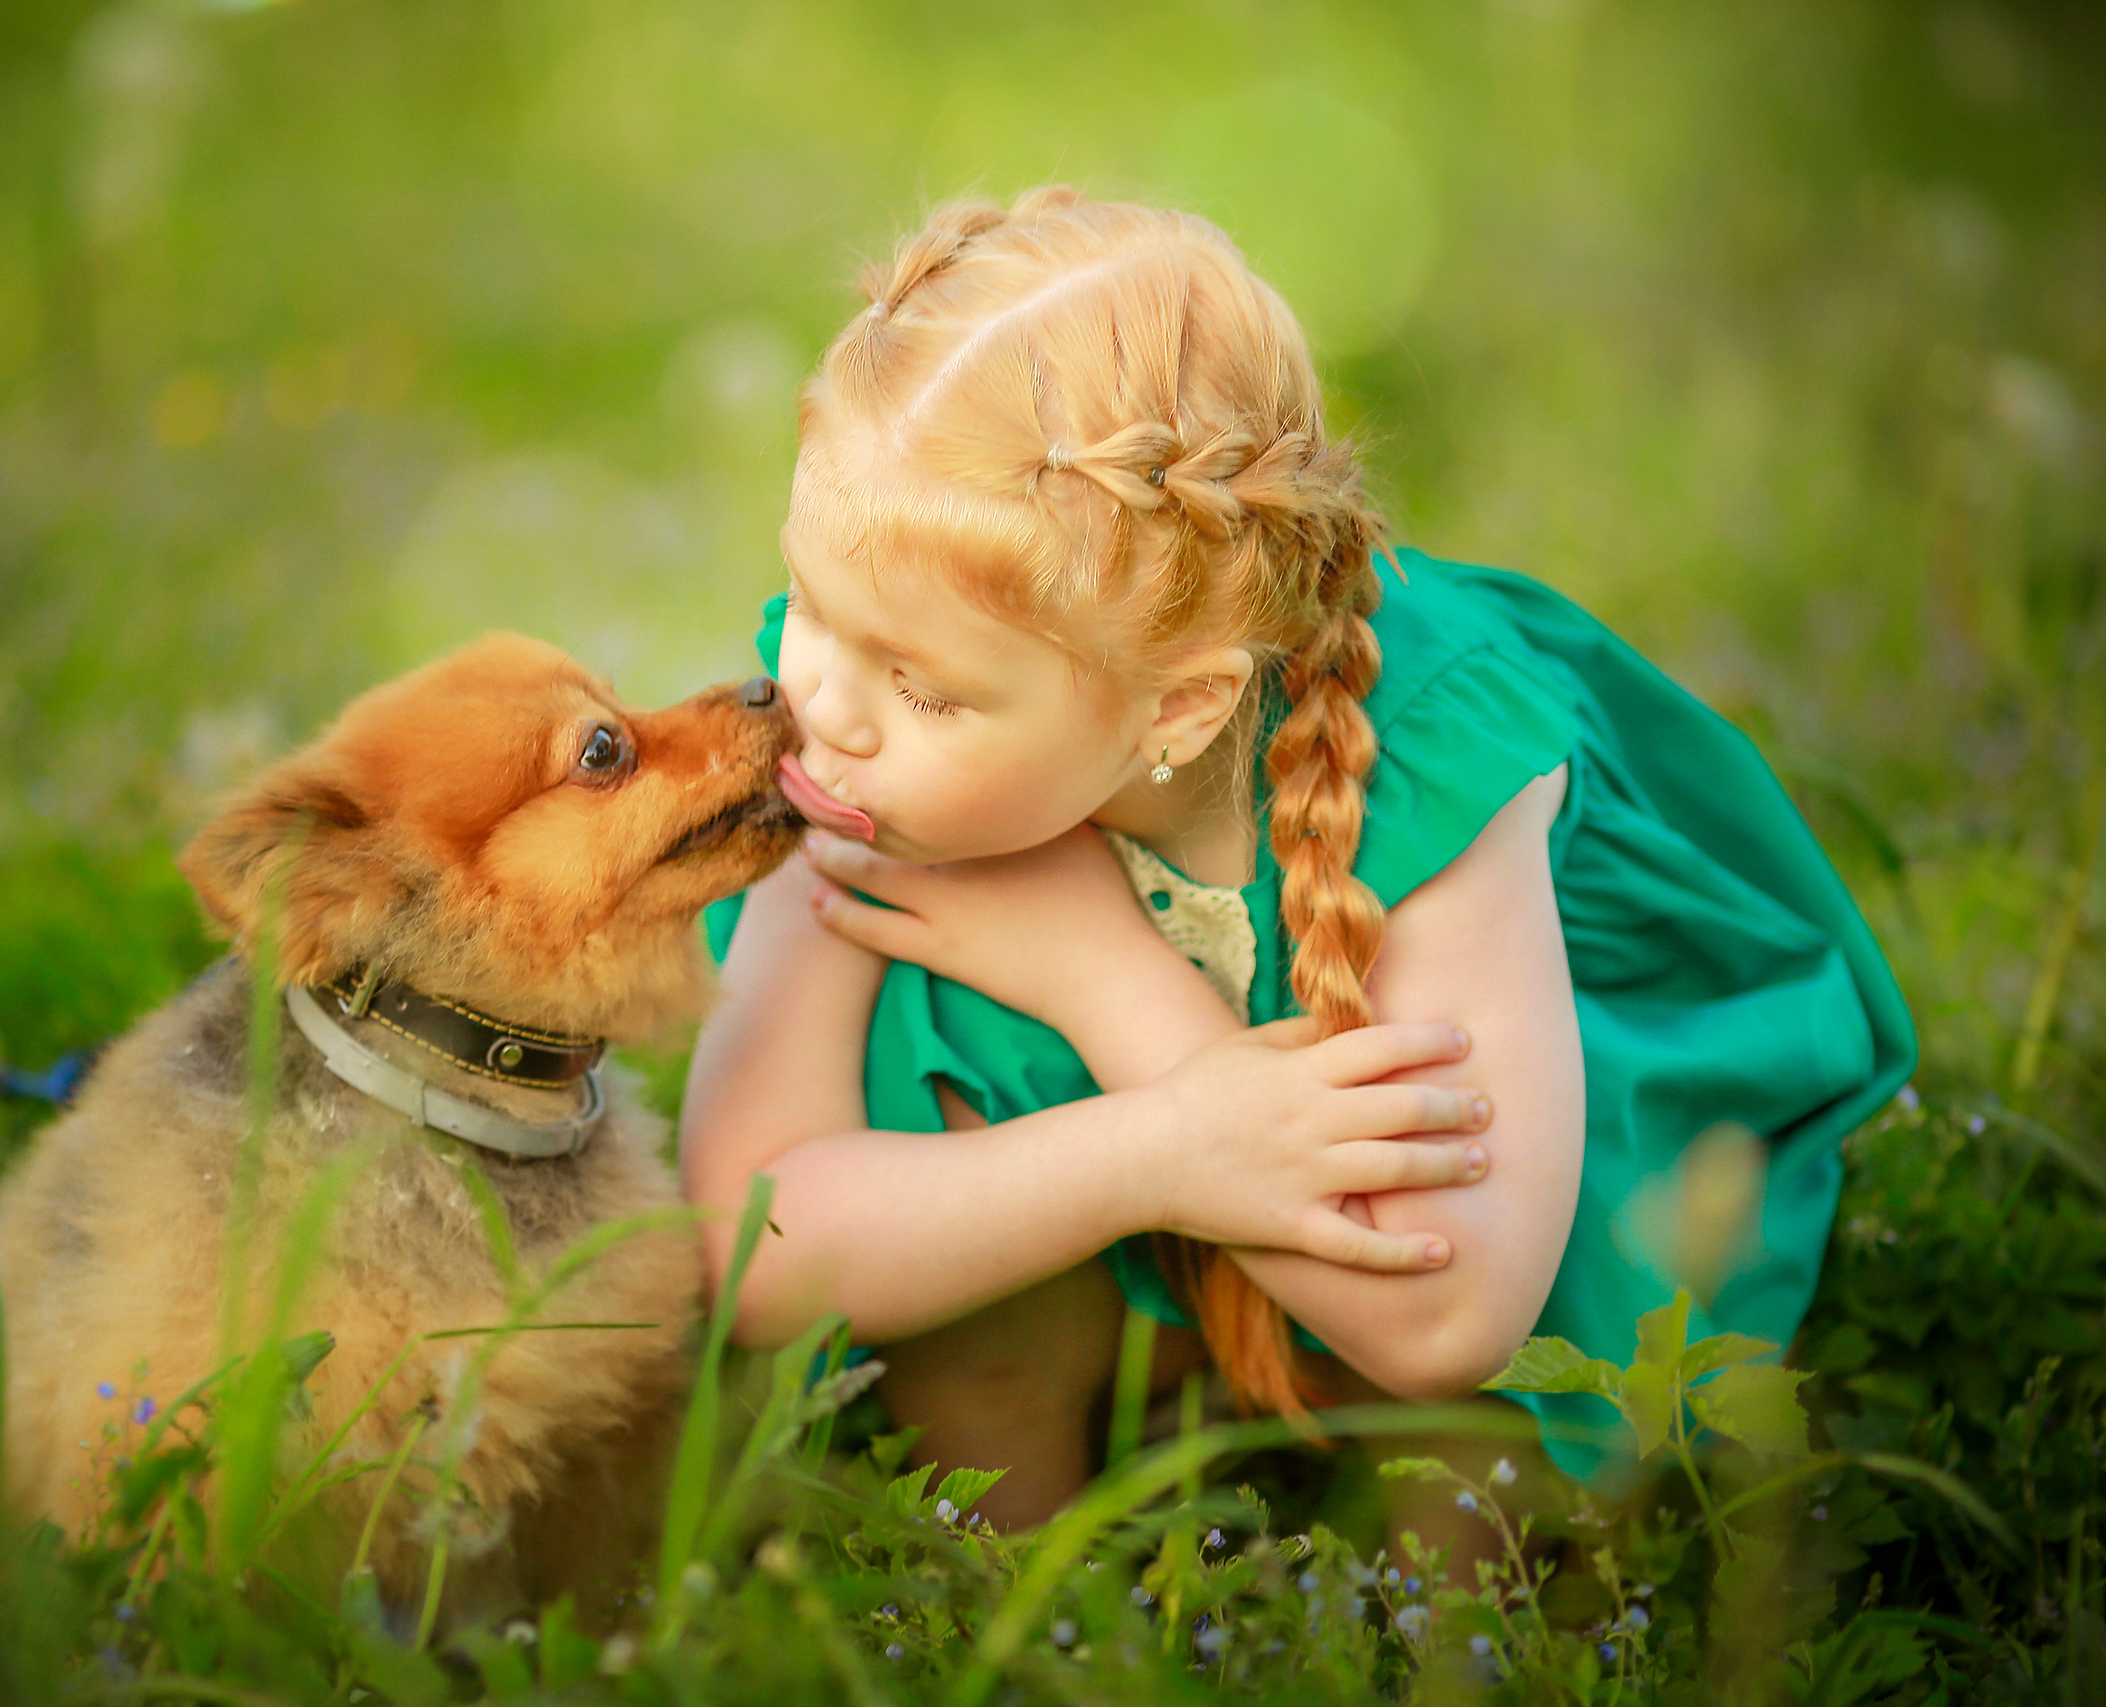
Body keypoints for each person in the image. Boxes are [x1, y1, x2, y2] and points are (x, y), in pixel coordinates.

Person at [679, 189, 1913, 1529]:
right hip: (1120, 1216)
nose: (819, 699)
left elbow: (1445, 1316)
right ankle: (1029, 1620)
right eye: (809, 599)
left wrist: (1111, 988)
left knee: (1484, 1507)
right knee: (947, 1205)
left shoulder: (1433, 755)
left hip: (1471, 1288)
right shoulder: (848, 751)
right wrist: (1150, 1155)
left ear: (1182, 709)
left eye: (922, 686)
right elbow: (751, 1242)